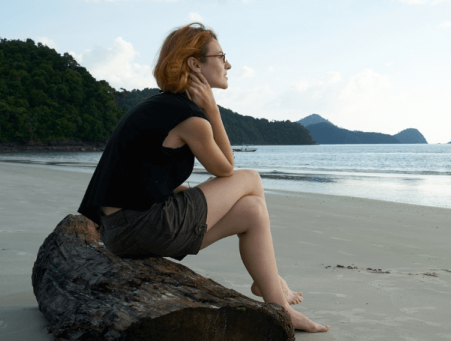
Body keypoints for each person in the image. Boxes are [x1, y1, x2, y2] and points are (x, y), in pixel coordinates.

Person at [77, 22, 328, 333]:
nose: (228, 64)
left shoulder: (159, 108)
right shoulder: (189, 118)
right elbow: (226, 169)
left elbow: (143, 180)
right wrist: (213, 109)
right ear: (195, 64)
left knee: (252, 211)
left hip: (122, 231)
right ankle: (279, 300)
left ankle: (272, 291)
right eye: (221, 56)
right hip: (141, 227)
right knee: (250, 178)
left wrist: (190, 195)